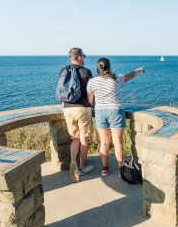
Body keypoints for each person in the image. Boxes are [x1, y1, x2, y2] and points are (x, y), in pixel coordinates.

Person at [86, 58, 145, 177]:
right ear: (109, 67)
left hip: (100, 112)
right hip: (116, 111)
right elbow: (130, 75)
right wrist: (138, 70)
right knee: (118, 143)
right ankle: (121, 170)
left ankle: (104, 169)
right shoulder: (116, 78)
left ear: (97, 68)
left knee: (104, 143)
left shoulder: (92, 82)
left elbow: (90, 101)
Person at [61, 47, 94, 178]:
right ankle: (81, 168)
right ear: (79, 57)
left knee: (75, 139)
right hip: (82, 108)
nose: (84, 58)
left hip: (67, 108)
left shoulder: (63, 70)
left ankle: (73, 163)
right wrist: (90, 105)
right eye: (84, 56)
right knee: (84, 139)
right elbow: (90, 92)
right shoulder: (86, 71)